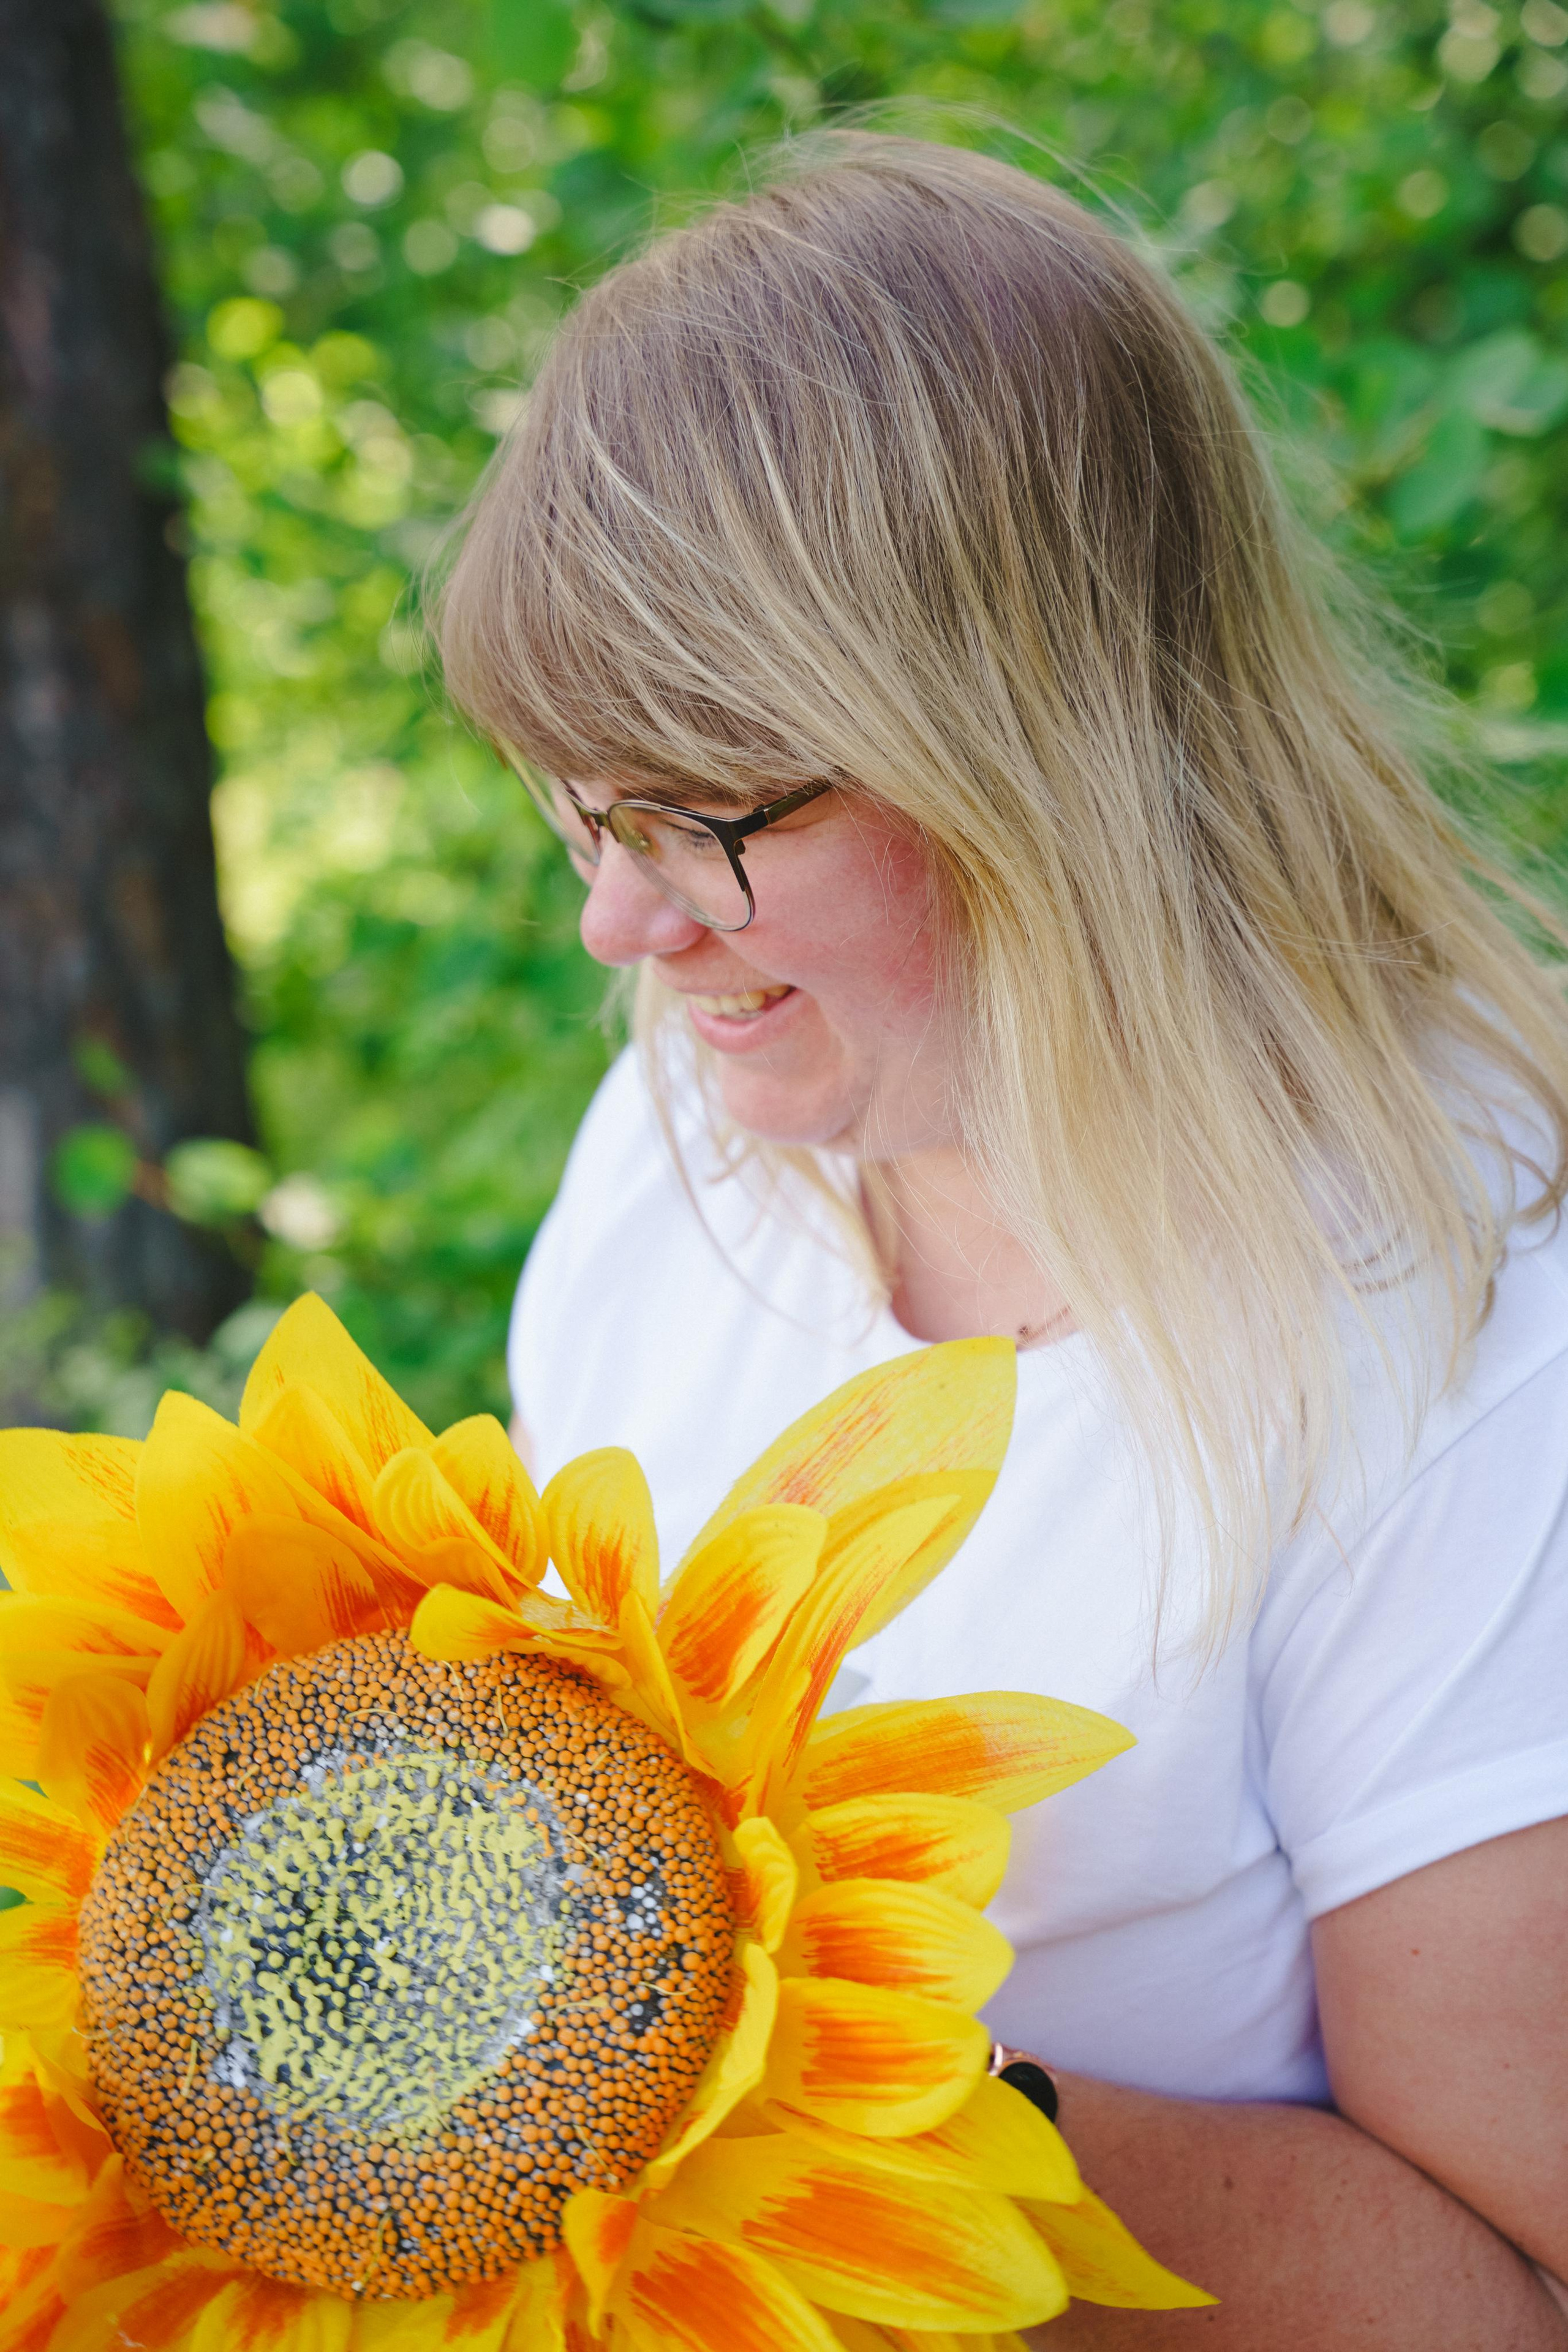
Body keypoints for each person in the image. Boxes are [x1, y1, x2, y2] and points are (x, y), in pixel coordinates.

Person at [437, 134, 1568, 2345]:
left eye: (706, 811)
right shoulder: (699, 1112)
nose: (618, 919)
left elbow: (1517, 2287)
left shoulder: (1457, 1309)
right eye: (576, 801)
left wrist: (820, 2121)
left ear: (1035, 745)